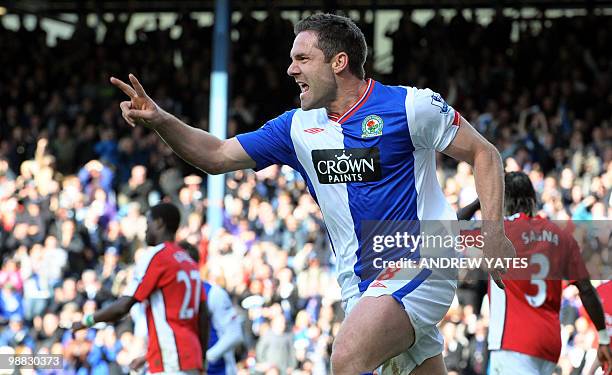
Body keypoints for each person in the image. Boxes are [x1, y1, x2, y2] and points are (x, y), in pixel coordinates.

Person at [110, 13, 515, 374]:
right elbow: (215, 155)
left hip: (421, 257)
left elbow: (484, 152)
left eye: (302, 59)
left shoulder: (410, 106)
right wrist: (161, 120)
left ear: (339, 62)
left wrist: (493, 234)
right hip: (360, 282)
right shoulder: (296, 128)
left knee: (346, 358)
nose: (290, 70)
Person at [461, 172, 612, 375]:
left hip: (513, 342)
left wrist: (483, 199)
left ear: (502, 201)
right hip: (549, 345)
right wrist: (603, 338)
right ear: (533, 200)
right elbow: (585, 288)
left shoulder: (500, 232)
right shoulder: (561, 236)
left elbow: (447, 228)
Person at [72, 203, 209, 374]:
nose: (145, 230)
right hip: (191, 356)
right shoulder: (189, 262)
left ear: (159, 223)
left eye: (148, 223)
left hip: (171, 359)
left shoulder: (157, 256)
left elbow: (123, 306)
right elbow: (203, 315)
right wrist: (201, 358)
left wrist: (87, 321)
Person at [181, 241, 244, 375]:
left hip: (217, 370)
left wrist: (207, 357)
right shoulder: (172, 296)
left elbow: (234, 334)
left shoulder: (214, 294)